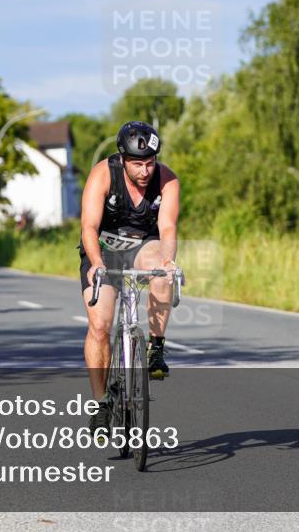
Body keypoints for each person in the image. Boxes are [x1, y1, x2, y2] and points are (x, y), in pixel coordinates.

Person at [79, 121, 180, 436]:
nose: (145, 171)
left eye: (150, 163)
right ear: (123, 159)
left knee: (162, 270)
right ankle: (100, 405)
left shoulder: (167, 180)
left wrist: (168, 260)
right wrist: (96, 263)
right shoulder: (103, 174)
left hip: (142, 246)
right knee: (100, 326)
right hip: (104, 250)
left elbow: (167, 228)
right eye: (137, 164)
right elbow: (88, 227)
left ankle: (156, 347)